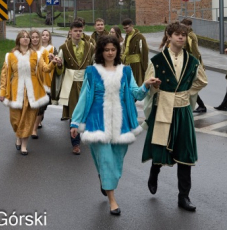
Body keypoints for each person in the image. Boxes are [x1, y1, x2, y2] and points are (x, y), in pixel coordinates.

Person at [70, 35, 160, 215]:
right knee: (105, 159)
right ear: (101, 52)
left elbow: (137, 94)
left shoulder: (125, 71)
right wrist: (75, 121)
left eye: (113, 50)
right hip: (97, 122)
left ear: (117, 51)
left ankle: (105, 178)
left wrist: (146, 85)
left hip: (122, 123)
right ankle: (112, 199)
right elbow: (84, 97)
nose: (110, 53)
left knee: (116, 160)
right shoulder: (92, 72)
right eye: (106, 50)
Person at [142, 22, 208, 212]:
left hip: (183, 109)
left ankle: (183, 196)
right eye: (178, 34)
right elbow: (148, 85)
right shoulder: (157, 60)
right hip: (163, 107)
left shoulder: (192, 60)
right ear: (169, 36)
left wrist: (188, 92)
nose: (181, 37)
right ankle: (154, 172)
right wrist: (153, 86)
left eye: (184, 35)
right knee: (160, 146)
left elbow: (202, 80)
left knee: (185, 152)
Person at [0, 30, 50, 155]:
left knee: (29, 119)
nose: (26, 39)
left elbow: (45, 68)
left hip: (32, 92)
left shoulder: (36, 55)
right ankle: (18, 136)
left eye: (28, 37)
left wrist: (54, 62)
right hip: (16, 91)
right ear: (18, 40)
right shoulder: (10, 56)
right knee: (15, 119)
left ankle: (24, 146)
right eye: (23, 37)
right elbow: (4, 74)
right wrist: (2, 91)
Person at [54, 20, 95, 155]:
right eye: (75, 31)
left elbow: (95, 63)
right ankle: (75, 143)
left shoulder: (90, 46)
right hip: (71, 83)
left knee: (88, 110)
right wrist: (59, 64)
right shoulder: (64, 48)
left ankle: (88, 136)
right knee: (74, 113)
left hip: (86, 82)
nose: (78, 33)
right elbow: (60, 68)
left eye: (80, 31)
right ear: (70, 32)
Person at [32, 29, 55, 139]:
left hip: (45, 80)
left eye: (47, 35)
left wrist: (52, 61)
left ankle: (34, 128)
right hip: (31, 81)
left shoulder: (47, 50)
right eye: (43, 35)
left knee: (41, 106)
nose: (36, 39)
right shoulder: (27, 50)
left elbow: (47, 67)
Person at [181, 18, 208, 113]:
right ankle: (201, 105)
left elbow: (195, 51)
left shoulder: (190, 36)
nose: (183, 27)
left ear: (189, 26)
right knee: (188, 85)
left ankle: (201, 105)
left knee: (189, 85)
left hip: (190, 64)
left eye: (185, 26)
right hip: (187, 63)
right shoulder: (187, 35)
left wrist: (195, 64)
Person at [121, 18, 149, 87]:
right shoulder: (127, 36)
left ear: (132, 26)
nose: (126, 30)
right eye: (124, 28)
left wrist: (145, 67)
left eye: (127, 28)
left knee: (136, 84)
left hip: (136, 65)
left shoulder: (139, 37)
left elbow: (144, 52)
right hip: (127, 64)